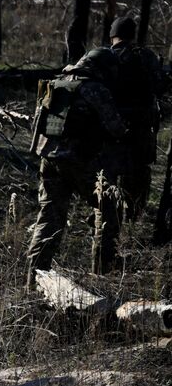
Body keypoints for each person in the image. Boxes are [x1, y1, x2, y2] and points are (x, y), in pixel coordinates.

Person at [26, 49, 129, 282]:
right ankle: (103, 276)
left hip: (50, 159)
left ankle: (34, 278)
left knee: (49, 218)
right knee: (108, 213)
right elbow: (117, 128)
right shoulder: (95, 89)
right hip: (81, 161)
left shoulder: (55, 83)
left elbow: (38, 124)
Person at [107, 16, 167, 221]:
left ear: (112, 34)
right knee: (139, 171)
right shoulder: (146, 56)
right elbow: (160, 88)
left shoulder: (103, 56)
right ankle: (133, 215)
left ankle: (107, 213)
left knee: (108, 172)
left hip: (109, 123)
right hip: (141, 124)